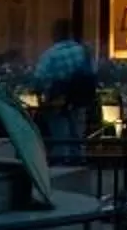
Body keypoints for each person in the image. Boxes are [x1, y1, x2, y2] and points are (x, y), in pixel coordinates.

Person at [33, 23, 95, 163]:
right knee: (78, 136)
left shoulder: (50, 55)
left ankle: (63, 169)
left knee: (60, 136)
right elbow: (93, 72)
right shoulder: (83, 52)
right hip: (80, 101)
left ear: (55, 34)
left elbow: (39, 79)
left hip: (57, 102)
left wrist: (41, 93)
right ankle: (79, 165)